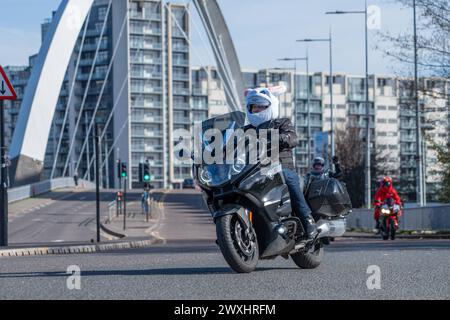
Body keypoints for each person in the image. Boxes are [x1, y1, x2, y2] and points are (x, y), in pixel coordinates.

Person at [245, 86, 317, 240]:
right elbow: (231, 146)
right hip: (256, 172)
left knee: (288, 179)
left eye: (260, 106)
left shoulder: (281, 123)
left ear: (270, 106)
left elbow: (293, 137)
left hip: (281, 167)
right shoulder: (246, 130)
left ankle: (308, 219)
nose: (257, 109)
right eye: (254, 106)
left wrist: (281, 138)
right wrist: (213, 151)